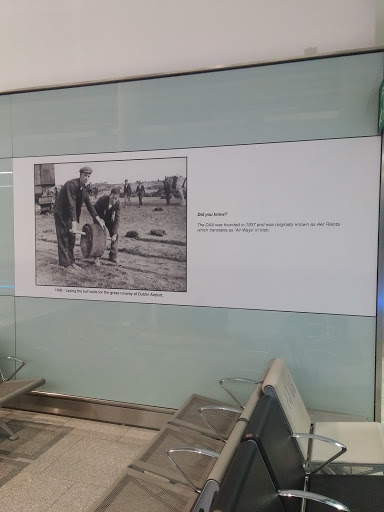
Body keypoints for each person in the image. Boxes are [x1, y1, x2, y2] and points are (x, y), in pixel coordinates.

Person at [53, 166, 106, 271]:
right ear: (80, 175)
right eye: (85, 175)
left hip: (70, 214)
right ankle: (65, 264)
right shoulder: (71, 185)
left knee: (72, 238)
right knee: (64, 237)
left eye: (88, 176)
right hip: (61, 213)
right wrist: (74, 222)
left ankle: (72, 262)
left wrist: (98, 219)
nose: (86, 178)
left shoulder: (85, 189)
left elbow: (89, 205)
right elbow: (71, 204)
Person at [93, 188, 121, 266]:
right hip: (98, 218)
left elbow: (117, 219)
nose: (114, 200)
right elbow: (93, 210)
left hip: (108, 219)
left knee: (116, 234)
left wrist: (114, 233)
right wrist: (99, 220)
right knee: (98, 234)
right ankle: (96, 257)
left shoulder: (118, 204)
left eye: (116, 199)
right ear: (110, 195)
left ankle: (113, 256)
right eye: (113, 198)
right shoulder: (102, 200)